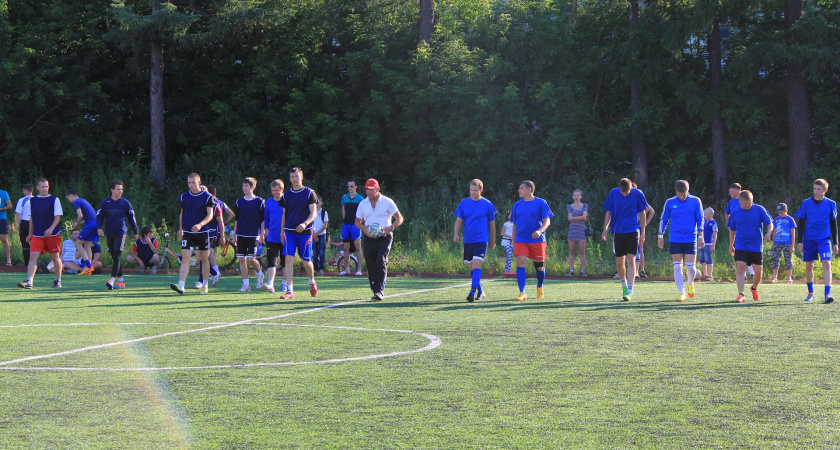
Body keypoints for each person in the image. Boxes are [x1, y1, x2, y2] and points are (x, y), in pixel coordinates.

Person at [355, 178, 403, 301]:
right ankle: (374, 287)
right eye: (367, 189)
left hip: (384, 237)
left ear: (377, 189)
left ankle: (379, 291)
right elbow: (357, 222)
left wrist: (390, 228)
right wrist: (364, 229)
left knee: (380, 261)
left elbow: (399, 218)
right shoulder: (363, 204)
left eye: (371, 189)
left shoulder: (387, 202)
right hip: (369, 238)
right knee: (371, 264)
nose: (369, 192)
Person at [602, 178, 648, 301]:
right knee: (619, 262)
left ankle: (630, 290)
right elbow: (608, 212)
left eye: (626, 192)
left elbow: (643, 213)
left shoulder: (638, 193)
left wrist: (643, 233)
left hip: (633, 231)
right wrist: (605, 229)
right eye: (622, 192)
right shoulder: (613, 193)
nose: (624, 194)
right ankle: (624, 285)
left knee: (631, 260)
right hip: (618, 231)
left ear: (631, 188)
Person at [657, 180, 705, 302]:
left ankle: (690, 283)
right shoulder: (670, 202)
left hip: (690, 238)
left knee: (691, 267)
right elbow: (664, 219)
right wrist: (660, 235)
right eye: (679, 194)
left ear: (688, 191)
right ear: (676, 192)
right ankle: (681, 292)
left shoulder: (695, 201)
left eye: (683, 194)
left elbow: (700, 219)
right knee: (677, 266)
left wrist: (700, 236)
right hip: (675, 238)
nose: (681, 197)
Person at [453, 179, 497, 302]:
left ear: (481, 190)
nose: (473, 193)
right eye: (471, 190)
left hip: (481, 239)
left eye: (475, 190)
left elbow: (492, 224)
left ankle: (472, 291)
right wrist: (456, 234)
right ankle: (481, 291)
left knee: (477, 264)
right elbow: (458, 221)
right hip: (468, 239)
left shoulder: (488, 204)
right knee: (472, 267)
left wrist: (493, 239)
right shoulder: (463, 203)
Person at [795, 179, 838, 303]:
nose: (816, 191)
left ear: (825, 190)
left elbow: (833, 224)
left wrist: (836, 243)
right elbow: (801, 222)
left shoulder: (831, 204)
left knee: (827, 264)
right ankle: (811, 292)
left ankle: (827, 294)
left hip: (824, 239)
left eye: (819, 189)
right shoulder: (806, 203)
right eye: (815, 189)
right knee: (809, 265)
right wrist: (800, 241)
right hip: (809, 239)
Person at [170, 173, 215, 295]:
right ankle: (181, 286)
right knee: (185, 258)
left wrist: (200, 225)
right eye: (189, 183)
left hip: (202, 232)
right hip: (188, 232)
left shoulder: (207, 196)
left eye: (193, 182)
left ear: (199, 182)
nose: (191, 185)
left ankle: (205, 285)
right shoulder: (184, 196)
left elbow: (210, 215)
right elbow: (182, 213)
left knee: (204, 259)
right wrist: (181, 229)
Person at [278, 167, 319, 299]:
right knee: (288, 258)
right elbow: (283, 215)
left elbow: (314, 212)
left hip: (305, 232)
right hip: (289, 232)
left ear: (302, 177)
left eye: (296, 176)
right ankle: (289, 290)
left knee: (306, 262)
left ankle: (312, 281)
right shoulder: (286, 195)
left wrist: (305, 223)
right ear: (289, 179)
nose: (294, 179)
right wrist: (282, 231)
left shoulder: (309, 193)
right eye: (292, 177)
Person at [511, 180, 553, 301]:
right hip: (521, 240)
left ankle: (540, 287)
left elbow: (547, 221)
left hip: (537, 240)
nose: (519, 190)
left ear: (529, 189)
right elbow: (514, 226)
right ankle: (522, 292)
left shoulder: (541, 203)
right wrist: (514, 242)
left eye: (521, 188)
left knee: (539, 267)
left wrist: (539, 231)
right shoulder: (517, 205)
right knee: (521, 263)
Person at [728, 190, 773, 303]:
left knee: (758, 272)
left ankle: (754, 288)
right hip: (741, 244)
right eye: (746, 203)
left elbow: (770, 223)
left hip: (756, 245)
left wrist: (769, 233)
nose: (748, 205)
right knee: (740, 268)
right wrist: (731, 245)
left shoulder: (759, 209)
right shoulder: (735, 212)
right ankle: (741, 294)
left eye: (750, 203)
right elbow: (732, 230)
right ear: (740, 202)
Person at [17, 178, 63, 289]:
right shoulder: (32, 200)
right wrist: (30, 233)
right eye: (42, 187)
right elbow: (32, 217)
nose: (45, 189)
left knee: (55, 257)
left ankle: (57, 281)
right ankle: (29, 282)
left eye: (46, 186)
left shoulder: (54, 199)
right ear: (37, 188)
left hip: (52, 234)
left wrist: (51, 229)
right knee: (32, 257)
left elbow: (57, 217)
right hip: (37, 234)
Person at [95, 180, 139, 290]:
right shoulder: (105, 203)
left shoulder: (125, 203)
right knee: (114, 256)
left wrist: (135, 231)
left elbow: (131, 218)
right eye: (118, 189)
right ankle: (121, 281)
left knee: (118, 255)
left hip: (121, 232)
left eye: (121, 189)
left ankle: (112, 279)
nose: (120, 191)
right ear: (112, 190)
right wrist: (99, 228)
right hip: (109, 232)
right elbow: (99, 217)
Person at [233, 177, 265, 292]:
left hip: (254, 234)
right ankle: (246, 284)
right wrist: (235, 233)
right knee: (242, 259)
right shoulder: (239, 202)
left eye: (246, 185)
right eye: (243, 185)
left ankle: (260, 274)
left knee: (251, 259)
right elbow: (237, 219)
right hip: (241, 233)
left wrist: (262, 233)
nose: (244, 188)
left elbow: (262, 219)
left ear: (252, 187)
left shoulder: (260, 202)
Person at [202, 185, 232, 287]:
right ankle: (213, 272)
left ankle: (215, 272)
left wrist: (222, 223)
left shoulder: (214, 203)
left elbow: (223, 218)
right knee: (210, 252)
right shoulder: (222, 202)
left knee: (209, 252)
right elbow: (231, 214)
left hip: (212, 230)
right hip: (215, 230)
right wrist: (225, 222)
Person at [725, 182, 754, 281]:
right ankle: (743, 275)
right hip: (737, 232)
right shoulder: (731, 202)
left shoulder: (746, 199)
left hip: (747, 231)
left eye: (731, 191)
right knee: (739, 253)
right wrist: (729, 225)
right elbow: (726, 213)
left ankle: (752, 273)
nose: (729, 193)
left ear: (737, 191)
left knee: (749, 251)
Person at [65, 189, 98, 275]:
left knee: (78, 244)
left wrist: (77, 223)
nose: (69, 201)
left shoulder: (76, 201)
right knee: (87, 245)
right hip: (96, 223)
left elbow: (80, 215)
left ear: (71, 195)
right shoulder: (83, 200)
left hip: (90, 225)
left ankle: (88, 265)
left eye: (68, 198)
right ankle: (88, 268)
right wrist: (81, 223)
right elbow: (90, 217)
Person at [261, 179, 286, 293]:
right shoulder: (269, 202)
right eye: (273, 190)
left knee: (285, 261)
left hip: (286, 236)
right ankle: (270, 283)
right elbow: (266, 217)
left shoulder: (287, 201)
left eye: (277, 190)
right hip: (272, 236)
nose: (275, 192)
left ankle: (284, 283)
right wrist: (265, 229)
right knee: (272, 260)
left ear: (282, 189)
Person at [340, 179, 364, 276]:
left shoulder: (360, 198)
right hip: (346, 225)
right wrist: (345, 219)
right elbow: (343, 210)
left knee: (358, 247)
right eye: (348, 186)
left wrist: (360, 222)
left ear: (356, 187)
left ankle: (359, 270)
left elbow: (363, 212)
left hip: (356, 225)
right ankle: (347, 269)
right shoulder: (344, 197)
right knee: (346, 247)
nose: (350, 188)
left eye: (351, 186)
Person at [769, 203, 796, 284]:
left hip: (787, 243)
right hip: (777, 243)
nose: (779, 213)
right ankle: (774, 277)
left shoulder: (790, 220)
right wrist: (773, 244)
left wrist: (792, 246)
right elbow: (774, 232)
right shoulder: (776, 219)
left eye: (781, 212)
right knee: (775, 259)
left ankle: (789, 278)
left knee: (788, 260)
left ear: (786, 210)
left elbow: (793, 233)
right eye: (778, 212)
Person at [566, 189, 588, 277]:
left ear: (581, 196)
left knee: (582, 251)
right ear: (572, 196)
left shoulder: (584, 206)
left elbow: (584, 216)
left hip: (581, 230)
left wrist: (575, 218)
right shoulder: (569, 206)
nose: (576, 197)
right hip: (572, 230)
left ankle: (583, 270)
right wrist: (581, 217)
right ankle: (571, 270)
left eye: (578, 195)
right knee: (572, 251)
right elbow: (570, 218)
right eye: (575, 195)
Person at [14, 184, 34, 267]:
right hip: (35, 223)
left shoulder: (22, 200)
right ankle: (34, 262)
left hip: (25, 222)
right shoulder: (36, 199)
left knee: (25, 243)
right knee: (34, 243)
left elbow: (18, 213)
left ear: (25, 190)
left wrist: (18, 224)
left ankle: (27, 263)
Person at [698, 207, 718, 281]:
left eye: (705, 214)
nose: (704, 216)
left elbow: (715, 234)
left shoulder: (713, 223)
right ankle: (704, 274)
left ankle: (710, 275)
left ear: (710, 215)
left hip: (709, 243)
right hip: (702, 243)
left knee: (708, 258)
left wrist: (713, 245)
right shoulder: (703, 221)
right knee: (702, 259)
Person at [312, 195, 329, 275]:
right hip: (313, 235)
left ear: (321, 203)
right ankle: (315, 268)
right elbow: (309, 224)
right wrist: (314, 235)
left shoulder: (324, 212)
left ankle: (322, 268)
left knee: (321, 252)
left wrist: (317, 234)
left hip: (322, 235)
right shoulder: (311, 212)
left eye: (318, 201)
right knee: (314, 253)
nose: (316, 203)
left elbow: (325, 225)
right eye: (315, 201)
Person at [0, 180, 12, 266]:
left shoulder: (4, 193)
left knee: (4, 239)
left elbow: (10, 205)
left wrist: (0, 209)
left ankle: (9, 260)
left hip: (2, 218)